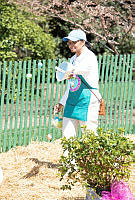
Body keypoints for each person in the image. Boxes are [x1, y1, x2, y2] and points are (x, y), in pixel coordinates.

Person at [55, 29, 102, 139]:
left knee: (89, 136)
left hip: (87, 101)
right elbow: (71, 86)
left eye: (74, 42)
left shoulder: (90, 57)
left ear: (83, 42)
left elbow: (81, 70)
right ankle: (68, 157)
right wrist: (62, 102)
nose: (71, 45)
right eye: (69, 43)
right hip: (72, 100)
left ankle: (92, 157)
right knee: (67, 136)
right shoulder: (72, 59)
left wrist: (71, 71)